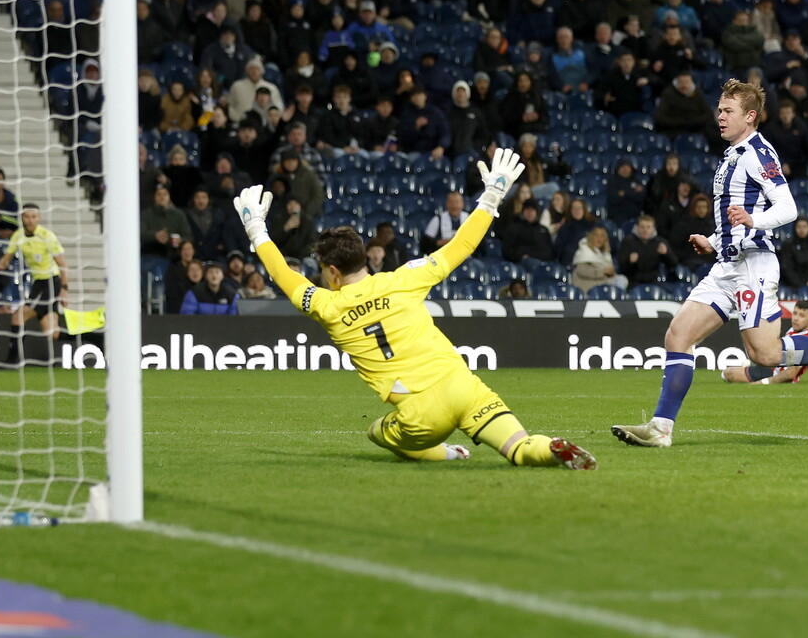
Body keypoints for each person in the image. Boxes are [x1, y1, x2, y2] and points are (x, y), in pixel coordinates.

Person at [233, 150, 596, 468]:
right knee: (519, 447)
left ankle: (447, 454)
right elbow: (461, 246)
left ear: (331, 272)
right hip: (463, 386)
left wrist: (256, 229)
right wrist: (493, 194)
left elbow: (282, 274)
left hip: (422, 414)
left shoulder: (325, 304)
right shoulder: (405, 278)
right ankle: (549, 448)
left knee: (378, 431)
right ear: (364, 256)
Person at [611, 79, 808, 449]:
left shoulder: (759, 152)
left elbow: (788, 209)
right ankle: (661, 429)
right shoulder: (732, 153)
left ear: (750, 116)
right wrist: (712, 239)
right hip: (726, 265)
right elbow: (736, 216)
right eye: (720, 109)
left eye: (728, 111)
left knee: (765, 354)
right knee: (677, 336)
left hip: (753, 265)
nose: (720, 116)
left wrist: (752, 222)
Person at [0, 204, 69, 365]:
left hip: (50, 282)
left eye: (33, 217)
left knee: (18, 316)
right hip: (38, 284)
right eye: (27, 217)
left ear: (39, 218)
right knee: (52, 333)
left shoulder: (46, 236)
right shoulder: (18, 236)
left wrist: (64, 289)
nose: (30, 220)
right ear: (21, 218)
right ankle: (97, 338)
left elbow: (62, 264)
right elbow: (7, 259)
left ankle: (12, 361)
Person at [722, 300, 808, 384]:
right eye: (795, 313)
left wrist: (765, 382)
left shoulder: (804, 342)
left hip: (773, 373)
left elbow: (790, 373)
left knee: (727, 374)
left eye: (802, 316)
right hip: (773, 364)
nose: (796, 318)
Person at [571, 225, 627, 293]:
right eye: (596, 235)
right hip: (587, 285)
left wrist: (611, 273)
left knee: (622, 279)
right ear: (591, 237)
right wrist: (603, 272)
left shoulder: (605, 255)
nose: (599, 238)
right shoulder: (584, 252)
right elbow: (582, 271)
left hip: (601, 283)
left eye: (602, 236)